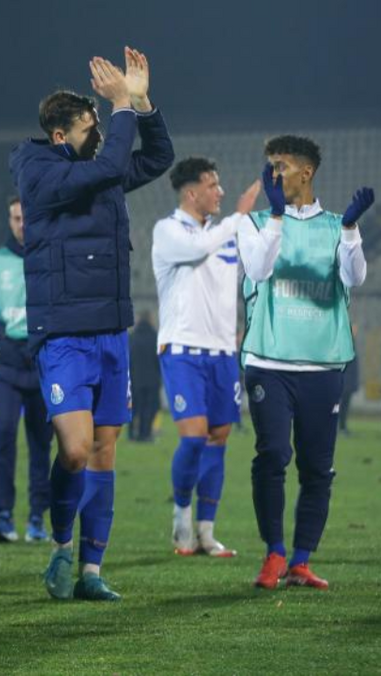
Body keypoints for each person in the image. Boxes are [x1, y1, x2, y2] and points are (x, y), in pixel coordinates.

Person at [9, 48, 173, 601]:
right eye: (90, 124)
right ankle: (60, 544)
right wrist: (122, 104)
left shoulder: (98, 169)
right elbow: (110, 165)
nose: (100, 130)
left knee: (104, 451)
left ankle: (92, 570)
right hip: (63, 333)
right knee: (75, 450)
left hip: (110, 330)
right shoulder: (38, 170)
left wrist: (142, 103)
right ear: (61, 134)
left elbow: (159, 157)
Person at [230, 136, 373, 590]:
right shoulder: (253, 221)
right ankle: (273, 552)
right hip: (268, 360)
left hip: (322, 364)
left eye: (281, 166)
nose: (273, 174)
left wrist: (350, 231)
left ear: (306, 173)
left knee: (317, 467)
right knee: (272, 454)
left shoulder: (337, 226)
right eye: (269, 165)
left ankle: (301, 559)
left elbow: (355, 277)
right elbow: (257, 269)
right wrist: (275, 216)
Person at [151, 156, 241, 558]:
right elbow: (198, 248)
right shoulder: (169, 230)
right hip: (182, 348)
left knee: (218, 436)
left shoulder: (226, 234)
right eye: (212, 185)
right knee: (193, 437)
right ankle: (181, 520)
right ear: (192, 193)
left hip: (223, 349)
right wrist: (238, 218)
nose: (220, 191)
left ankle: (207, 531)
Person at [0, 195, 52, 544]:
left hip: (43, 366)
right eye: (15, 218)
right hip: (7, 367)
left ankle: (37, 518)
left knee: (42, 445)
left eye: (26, 217)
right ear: (9, 221)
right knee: (4, 439)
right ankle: (4, 517)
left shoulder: (51, 259)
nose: (21, 224)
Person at [128, 311, 160, 443]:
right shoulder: (155, 337)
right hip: (152, 379)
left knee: (135, 408)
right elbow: (158, 360)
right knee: (149, 408)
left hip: (135, 379)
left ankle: (131, 434)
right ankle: (145, 434)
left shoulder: (132, 337)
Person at [338, 324, 360, 435]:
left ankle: (342, 427)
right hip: (346, 382)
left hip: (349, 381)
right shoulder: (347, 344)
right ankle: (340, 427)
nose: (357, 332)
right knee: (342, 406)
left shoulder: (351, 344)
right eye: (355, 330)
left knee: (345, 406)